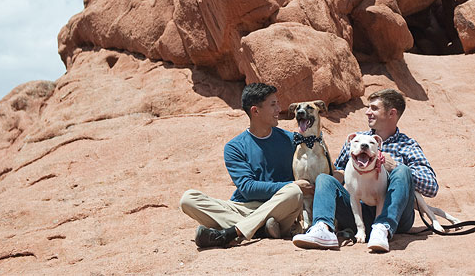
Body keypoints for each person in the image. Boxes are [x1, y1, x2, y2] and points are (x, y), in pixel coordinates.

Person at [292, 88, 438, 252]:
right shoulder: (356, 140)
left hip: (396, 216)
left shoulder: (408, 146)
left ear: (392, 113)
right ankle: (322, 228)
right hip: (357, 213)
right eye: (368, 108)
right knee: (324, 179)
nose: (368, 112)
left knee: (403, 170)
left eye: (374, 108)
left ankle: (382, 227)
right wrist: (328, 183)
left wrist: (394, 167)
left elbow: (431, 187)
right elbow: (339, 170)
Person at [179, 82, 313, 248]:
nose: (279, 109)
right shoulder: (235, 147)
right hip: (244, 208)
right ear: (255, 111)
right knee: (188, 199)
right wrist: (290, 184)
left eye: (277, 103)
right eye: (273, 105)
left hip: (280, 208)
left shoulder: (291, 140)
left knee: (294, 193)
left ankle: (230, 233)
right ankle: (260, 230)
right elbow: (248, 189)